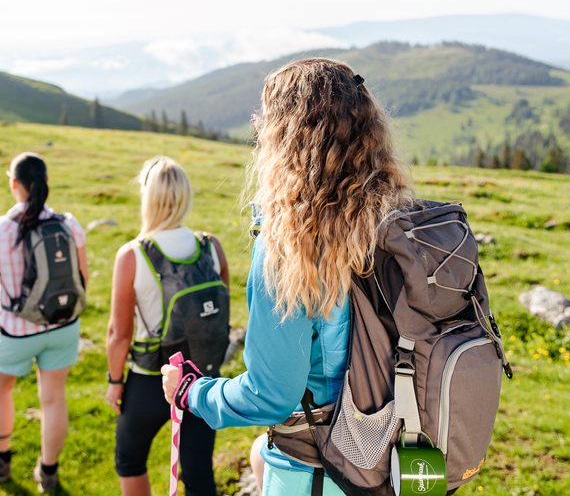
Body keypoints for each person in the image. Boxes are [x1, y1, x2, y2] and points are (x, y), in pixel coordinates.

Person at [161, 59, 412, 495]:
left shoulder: (292, 245)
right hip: (397, 451)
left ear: (289, 137)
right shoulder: (399, 220)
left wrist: (190, 392)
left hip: (324, 469)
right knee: (260, 453)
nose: (258, 127)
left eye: (266, 118)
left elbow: (271, 395)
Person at [106, 156, 230, 496]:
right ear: (186, 195)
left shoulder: (133, 254)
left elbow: (119, 334)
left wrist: (115, 382)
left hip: (149, 379)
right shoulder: (210, 246)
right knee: (198, 473)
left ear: (148, 197)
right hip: (201, 378)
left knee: (129, 459)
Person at [0, 152, 89, 492]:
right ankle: (48, 473)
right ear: (47, 183)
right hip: (64, 327)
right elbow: (82, 277)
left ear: (13, 184)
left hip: (16, 330)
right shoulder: (70, 224)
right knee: (53, 398)